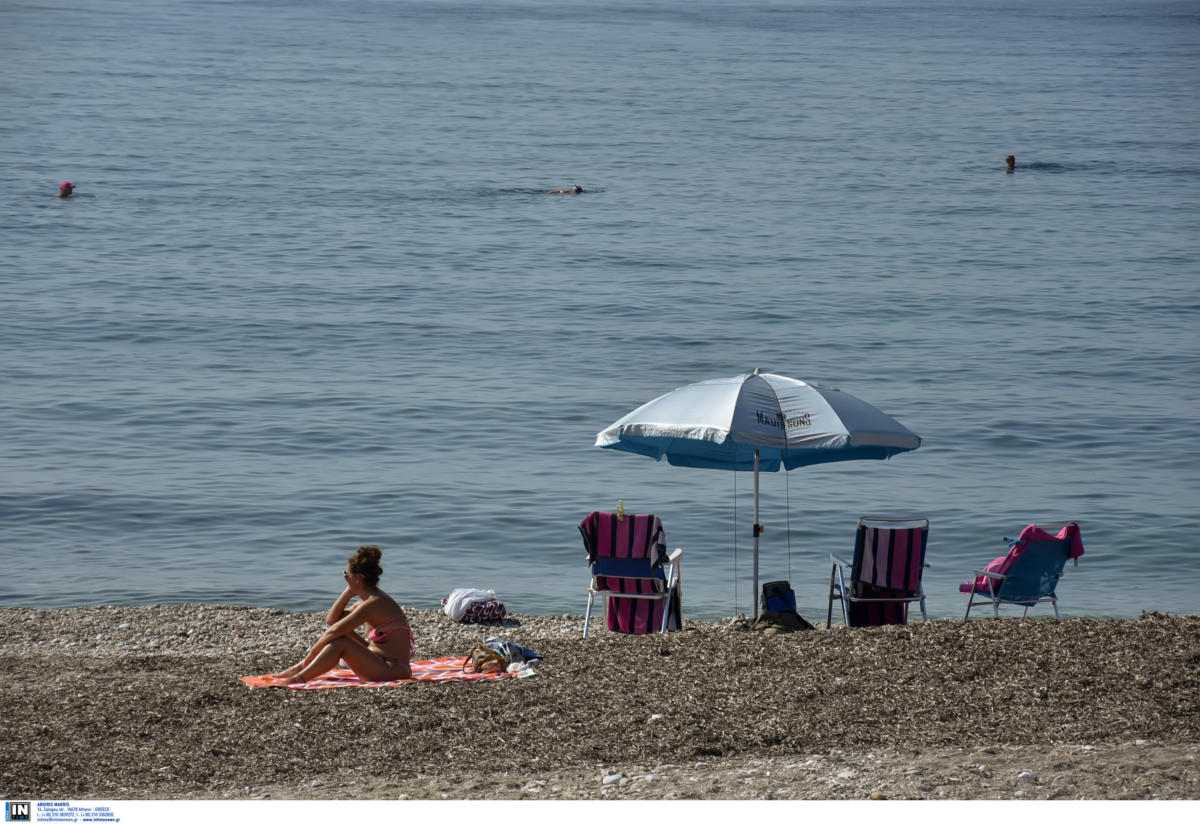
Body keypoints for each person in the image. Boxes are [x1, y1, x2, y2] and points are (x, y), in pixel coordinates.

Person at [271, 545, 413, 684]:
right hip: (381, 663)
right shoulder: (367, 602)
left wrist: (304, 662)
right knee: (340, 638)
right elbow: (332, 620)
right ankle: (300, 673)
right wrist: (348, 593)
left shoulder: (374, 604)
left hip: (392, 669)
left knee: (340, 642)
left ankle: (299, 677)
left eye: (346, 575)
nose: (345, 579)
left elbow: (333, 631)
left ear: (357, 578)